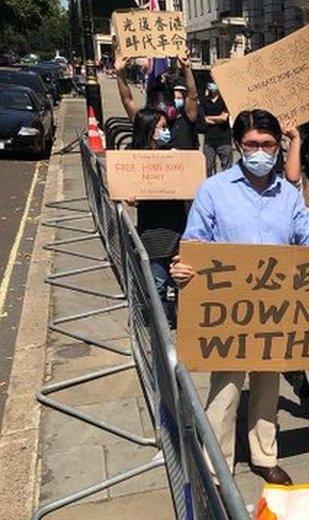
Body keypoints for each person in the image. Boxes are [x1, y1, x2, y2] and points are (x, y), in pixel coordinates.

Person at [169, 109, 309, 485]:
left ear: (278, 147)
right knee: (225, 389)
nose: (261, 151)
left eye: (268, 144)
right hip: (230, 309)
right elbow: (195, 241)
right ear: (239, 145)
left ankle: (263, 454)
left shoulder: (288, 196)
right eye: (253, 144)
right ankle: (217, 462)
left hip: (273, 307)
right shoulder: (214, 190)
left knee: (268, 386)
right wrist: (183, 264)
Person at [126, 107, 187, 327]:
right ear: (149, 128)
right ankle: (159, 330)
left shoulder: (172, 152)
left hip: (177, 226)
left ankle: (182, 324)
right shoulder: (133, 156)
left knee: (181, 282)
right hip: (153, 230)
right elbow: (124, 190)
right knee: (158, 283)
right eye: (161, 127)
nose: (166, 131)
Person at [116, 51, 199, 150]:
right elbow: (127, 100)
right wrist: (119, 72)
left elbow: (192, 96)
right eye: (161, 126)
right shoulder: (145, 120)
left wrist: (186, 68)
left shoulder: (185, 120)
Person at [201, 80, 232, 175]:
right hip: (209, 141)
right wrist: (216, 118)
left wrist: (208, 118)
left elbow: (223, 118)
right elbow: (202, 119)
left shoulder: (225, 101)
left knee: (227, 169)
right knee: (207, 168)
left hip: (224, 140)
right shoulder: (204, 101)